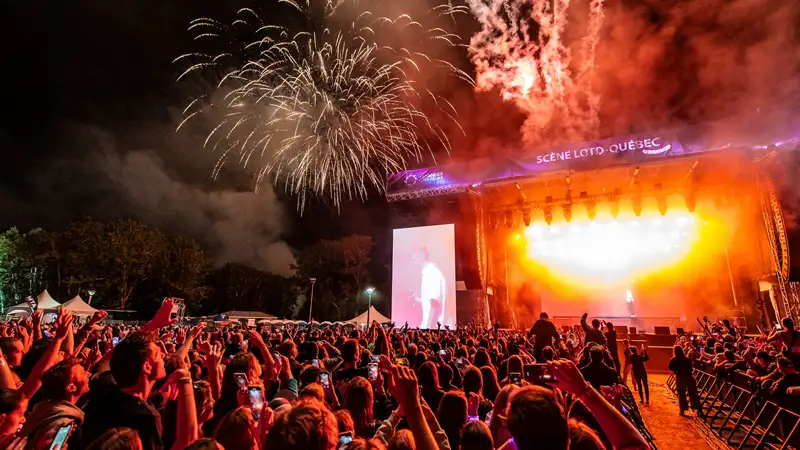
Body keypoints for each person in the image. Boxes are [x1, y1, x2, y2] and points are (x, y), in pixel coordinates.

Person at [409, 247, 446, 329]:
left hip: (433, 328)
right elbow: (429, 301)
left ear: (421, 257)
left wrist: (429, 326)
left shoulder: (432, 273)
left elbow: (435, 302)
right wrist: (416, 298)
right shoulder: (427, 274)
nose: (413, 262)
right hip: (429, 327)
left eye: (414, 259)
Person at [668, 346, 700, 416]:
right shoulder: (687, 359)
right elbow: (690, 368)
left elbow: (669, 367)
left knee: (682, 394)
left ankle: (682, 410)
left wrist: (675, 371)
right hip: (689, 377)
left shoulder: (674, 359)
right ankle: (697, 409)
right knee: (693, 393)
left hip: (680, 377)